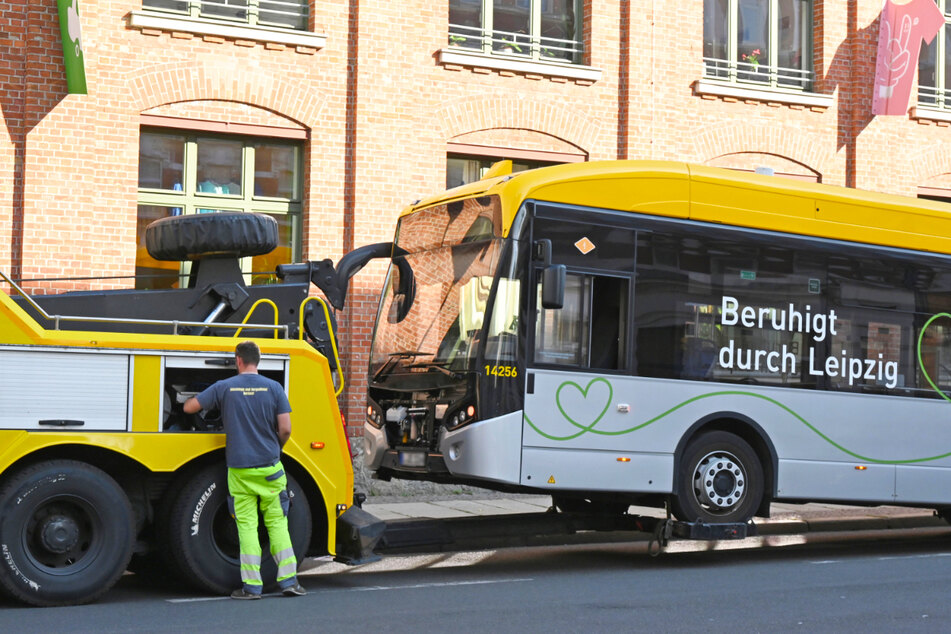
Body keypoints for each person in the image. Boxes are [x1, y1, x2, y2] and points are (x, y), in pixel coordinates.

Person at [184, 340, 306, 600]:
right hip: (270, 469)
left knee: (247, 527)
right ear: (258, 360)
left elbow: (189, 407)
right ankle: (289, 582)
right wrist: (277, 447)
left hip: (240, 471)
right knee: (277, 524)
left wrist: (200, 399)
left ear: (238, 359)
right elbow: (285, 428)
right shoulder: (274, 388)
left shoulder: (224, 387)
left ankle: (252, 588)